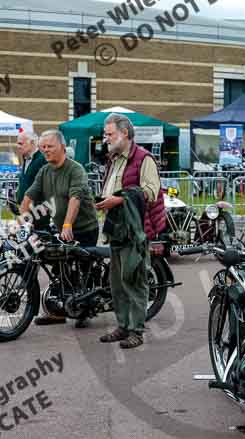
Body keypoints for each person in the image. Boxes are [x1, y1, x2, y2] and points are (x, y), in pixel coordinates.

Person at [96, 113, 164, 349]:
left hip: (135, 230)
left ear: (124, 133)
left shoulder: (144, 158)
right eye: (105, 134)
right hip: (116, 227)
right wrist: (106, 200)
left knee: (134, 280)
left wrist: (118, 199)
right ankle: (123, 326)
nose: (106, 138)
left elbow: (151, 192)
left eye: (110, 134)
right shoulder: (114, 159)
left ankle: (136, 330)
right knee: (116, 282)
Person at [21, 130, 100, 327]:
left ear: (62, 148)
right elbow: (30, 194)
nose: (45, 150)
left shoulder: (76, 170)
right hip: (60, 228)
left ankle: (85, 309)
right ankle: (57, 312)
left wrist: (67, 225)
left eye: (50, 146)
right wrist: (21, 218)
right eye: (43, 147)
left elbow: (75, 198)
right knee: (58, 268)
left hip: (84, 227)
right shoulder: (45, 171)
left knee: (82, 269)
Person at [15, 131, 47, 206]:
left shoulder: (42, 160)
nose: (18, 146)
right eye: (17, 143)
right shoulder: (26, 159)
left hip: (37, 210)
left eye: (21, 143)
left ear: (32, 143)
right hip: (25, 208)